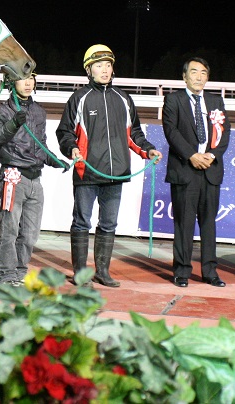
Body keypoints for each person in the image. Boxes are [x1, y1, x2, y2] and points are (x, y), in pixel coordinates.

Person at [56, 44, 162, 287]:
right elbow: (64, 132)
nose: (104, 70)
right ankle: (81, 274)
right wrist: (71, 148)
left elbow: (134, 133)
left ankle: (102, 271)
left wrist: (148, 150)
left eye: (108, 65)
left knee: (108, 224)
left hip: (117, 175)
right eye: (98, 65)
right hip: (87, 172)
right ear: (88, 70)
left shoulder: (124, 99)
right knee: (82, 222)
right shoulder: (79, 98)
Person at [0, 72, 70, 286]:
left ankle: (19, 272)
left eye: (31, 78)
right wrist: (14, 123)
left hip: (36, 179)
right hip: (13, 177)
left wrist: (56, 161)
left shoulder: (38, 112)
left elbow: (40, 146)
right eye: (22, 78)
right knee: (10, 229)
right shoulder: (3, 110)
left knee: (30, 233)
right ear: (11, 82)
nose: (27, 83)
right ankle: (6, 274)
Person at [162, 57, 231, 288]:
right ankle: (182, 271)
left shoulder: (216, 101)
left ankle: (210, 272)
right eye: (194, 72)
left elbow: (224, 132)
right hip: (185, 170)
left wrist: (211, 155)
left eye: (203, 72)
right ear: (184, 76)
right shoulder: (173, 100)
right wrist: (192, 155)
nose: (199, 77)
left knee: (209, 224)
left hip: (210, 170)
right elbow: (171, 132)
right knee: (184, 223)